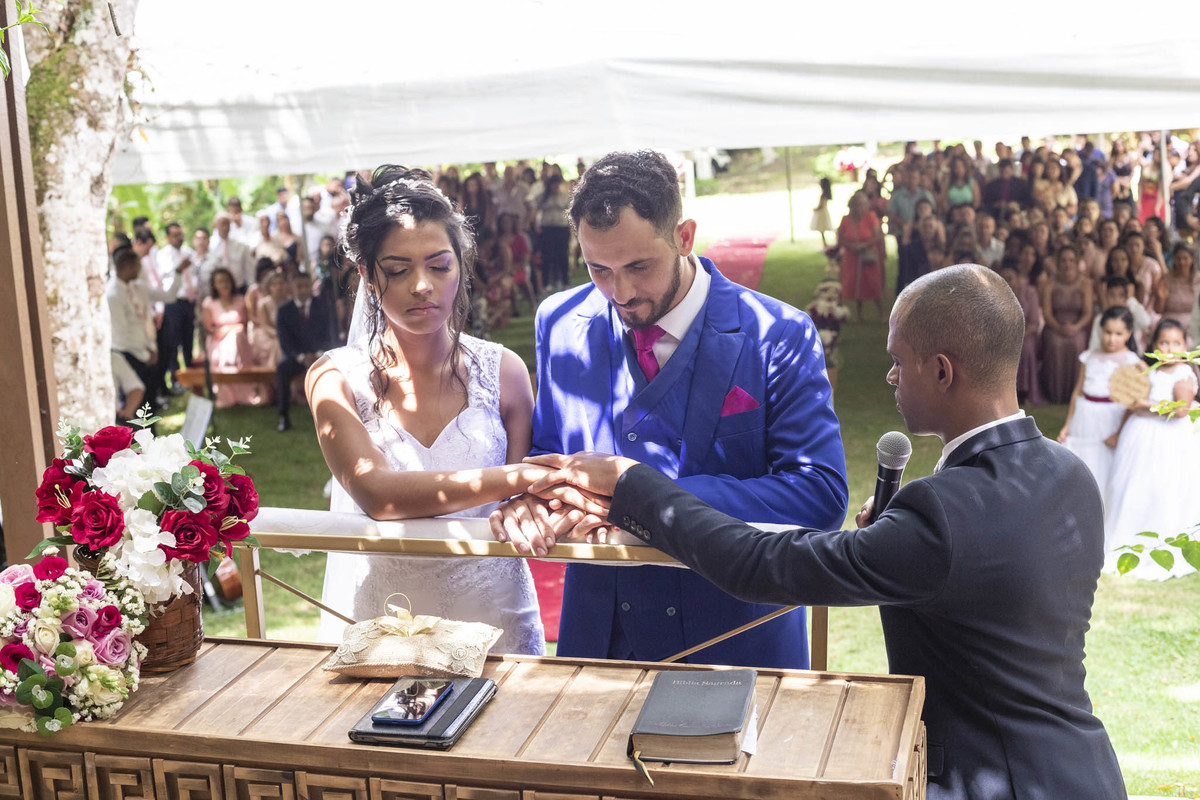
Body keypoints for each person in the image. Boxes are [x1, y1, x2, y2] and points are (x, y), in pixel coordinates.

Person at [525, 264, 1126, 800]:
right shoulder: (1068, 474)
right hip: (1081, 765)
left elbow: (760, 564)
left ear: (942, 371)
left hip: (994, 778)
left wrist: (634, 485)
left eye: (898, 360)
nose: (890, 376)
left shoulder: (942, 517)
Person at [490, 150, 848, 670]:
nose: (621, 292)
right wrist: (529, 496)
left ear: (684, 236)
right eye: (598, 269)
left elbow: (819, 493)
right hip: (599, 643)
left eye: (639, 265)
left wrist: (643, 498)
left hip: (738, 642)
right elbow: (548, 456)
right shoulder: (559, 323)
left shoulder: (778, 334)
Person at [304, 165, 559, 653]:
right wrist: (520, 478)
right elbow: (380, 495)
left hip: (499, 620)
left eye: (439, 265)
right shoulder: (333, 379)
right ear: (367, 277)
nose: (422, 285)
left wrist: (526, 496)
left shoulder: (504, 371)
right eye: (399, 270)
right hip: (392, 626)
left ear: (461, 265)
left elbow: (521, 508)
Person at [1103, 319, 1199, 580]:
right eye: (1163, 343)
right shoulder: (1152, 371)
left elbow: (1180, 410)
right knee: (1132, 488)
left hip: (1167, 441)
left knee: (1162, 488)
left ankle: (1161, 546)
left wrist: (1146, 405)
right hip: (1139, 438)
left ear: (1185, 345)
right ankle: (1127, 541)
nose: (1169, 349)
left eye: (1176, 343)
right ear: (1154, 345)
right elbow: (1133, 400)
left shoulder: (1184, 374)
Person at [1057, 306, 1143, 494]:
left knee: (1105, 465)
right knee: (1084, 460)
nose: (1112, 339)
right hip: (1085, 415)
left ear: (1128, 333)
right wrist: (1068, 424)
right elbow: (1077, 391)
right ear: (1101, 330)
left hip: (1111, 419)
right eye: (1108, 332)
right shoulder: (1089, 356)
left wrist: (1119, 433)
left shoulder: (1132, 361)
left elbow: (1136, 400)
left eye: (1118, 334)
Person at [107, 245, 183, 418]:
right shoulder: (113, 294)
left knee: (149, 404)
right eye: (137, 265)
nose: (141, 269)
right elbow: (121, 333)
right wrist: (144, 354)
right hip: (129, 354)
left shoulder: (139, 287)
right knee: (137, 406)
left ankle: (151, 440)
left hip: (147, 351)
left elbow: (169, 296)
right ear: (128, 266)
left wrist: (178, 273)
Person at [276, 271, 334, 432]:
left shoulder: (323, 305)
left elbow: (330, 335)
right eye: (298, 286)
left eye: (306, 286)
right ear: (291, 289)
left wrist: (318, 354)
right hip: (297, 357)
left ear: (311, 287)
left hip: (320, 354)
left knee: (333, 370)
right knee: (282, 369)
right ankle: (283, 415)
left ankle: (332, 414)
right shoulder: (284, 310)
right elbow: (285, 341)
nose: (302, 290)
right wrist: (302, 357)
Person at [1040, 244, 1093, 403]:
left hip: (1078, 326)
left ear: (1077, 263)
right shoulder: (1049, 283)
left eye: (1071, 260)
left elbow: (1088, 313)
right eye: (1063, 260)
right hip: (1054, 326)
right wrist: (1059, 327)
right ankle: (1055, 394)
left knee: (1077, 344)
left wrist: (1075, 327)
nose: (1067, 264)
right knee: (1055, 344)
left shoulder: (1085, 284)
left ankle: (1074, 393)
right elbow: (1046, 313)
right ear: (1057, 263)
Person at [201, 267, 260, 408]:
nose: (224, 284)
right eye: (220, 281)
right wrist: (231, 328)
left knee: (236, 338)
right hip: (218, 343)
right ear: (215, 285)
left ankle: (244, 394)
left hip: (239, 343)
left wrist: (229, 330)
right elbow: (211, 329)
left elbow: (244, 326)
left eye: (227, 281)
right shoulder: (209, 303)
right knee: (231, 341)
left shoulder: (240, 300)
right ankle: (226, 396)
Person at [837, 190, 886, 321]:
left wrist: (864, 245)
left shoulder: (871, 217)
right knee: (855, 284)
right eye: (855, 205)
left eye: (861, 205)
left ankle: (881, 312)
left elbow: (877, 236)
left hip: (868, 255)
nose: (858, 208)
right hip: (851, 257)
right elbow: (840, 239)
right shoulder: (845, 220)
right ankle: (859, 315)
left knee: (872, 283)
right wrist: (851, 246)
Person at [810, 176, 834, 248]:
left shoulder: (823, 195)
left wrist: (815, 209)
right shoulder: (825, 194)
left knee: (823, 228)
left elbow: (821, 205)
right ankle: (825, 244)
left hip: (822, 213)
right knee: (823, 229)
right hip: (823, 212)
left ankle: (825, 244)